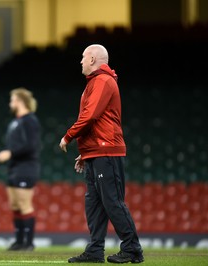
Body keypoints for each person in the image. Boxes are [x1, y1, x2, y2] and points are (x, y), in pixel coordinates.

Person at [59, 44, 144, 264]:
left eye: (83, 57)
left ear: (93, 59)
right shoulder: (96, 82)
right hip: (97, 150)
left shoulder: (102, 81)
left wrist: (68, 136)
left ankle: (132, 249)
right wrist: (85, 151)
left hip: (107, 149)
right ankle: (95, 250)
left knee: (113, 201)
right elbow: (94, 119)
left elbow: (90, 116)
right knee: (94, 203)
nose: (80, 61)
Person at [0, 88, 41, 251]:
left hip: (26, 167)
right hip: (14, 167)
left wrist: (10, 153)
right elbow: (12, 147)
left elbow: (31, 145)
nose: (11, 103)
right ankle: (19, 241)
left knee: (24, 205)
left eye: (12, 100)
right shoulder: (16, 122)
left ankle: (28, 243)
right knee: (15, 205)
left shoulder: (30, 120)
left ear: (20, 101)